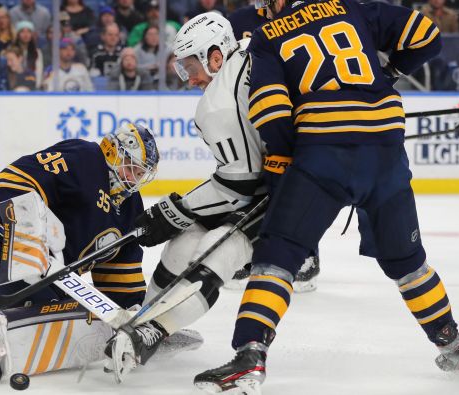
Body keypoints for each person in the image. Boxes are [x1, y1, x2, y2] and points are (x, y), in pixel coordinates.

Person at [194, 0, 459, 393]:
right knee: (408, 262)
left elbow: (270, 111)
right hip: (386, 149)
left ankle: (249, 355)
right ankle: (453, 344)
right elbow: (428, 36)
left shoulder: (268, 35)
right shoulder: (355, 9)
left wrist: (284, 164)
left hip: (324, 153)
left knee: (278, 253)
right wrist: (389, 74)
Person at [104, 12, 317, 382]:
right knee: (184, 241)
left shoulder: (217, 104)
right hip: (277, 175)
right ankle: (144, 316)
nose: (190, 80)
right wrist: (180, 216)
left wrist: (175, 209)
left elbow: (240, 184)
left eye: (191, 67)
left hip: (289, 187)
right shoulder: (247, 52)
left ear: (216, 56)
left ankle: (155, 330)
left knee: (219, 247)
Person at [0, 124, 197, 383]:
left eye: (139, 174)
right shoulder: (84, 157)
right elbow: (13, 179)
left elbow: (120, 274)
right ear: (113, 151)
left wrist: (137, 320)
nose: (132, 178)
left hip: (47, 275)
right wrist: (31, 235)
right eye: (131, 168)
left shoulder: (129, 207)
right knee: (21, 304)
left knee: (61, 315)